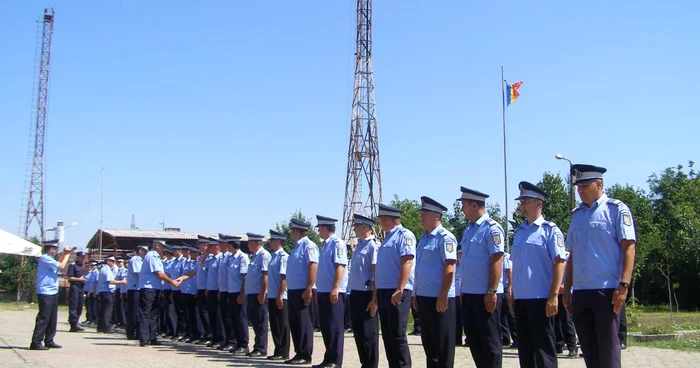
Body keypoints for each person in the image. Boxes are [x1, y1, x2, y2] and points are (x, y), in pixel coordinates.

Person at [563, 164, 636, 368]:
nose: (580, 190)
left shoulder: (615, 210)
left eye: (585, 185)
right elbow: (573, 255)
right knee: (589, 351)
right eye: (578, 187)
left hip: (606, 290)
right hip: (581, 291)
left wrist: (624, 285)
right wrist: (567, 288)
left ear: (599, 184)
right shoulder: (576, 215)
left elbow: (629, 247)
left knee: (609, 351)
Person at [510, 181, 568, 368]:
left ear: (539, 204)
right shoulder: (519, 232)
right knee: (526, 351)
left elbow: (560, 261)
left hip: (541, 299)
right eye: (521, 201)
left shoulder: (549, 230)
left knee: (544, 350)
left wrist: (553, 296)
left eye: (526, 201)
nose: (522, 205)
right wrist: (512, 290)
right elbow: (516, 265)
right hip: (521, 299)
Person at [458, 187, 506, 368]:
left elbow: (497, 259)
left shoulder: (491, 229)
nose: (462, 209)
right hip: (470, 293)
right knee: (475, 342)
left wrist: (492, 291)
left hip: (486, 294)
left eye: (464, 205)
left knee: (490, 343)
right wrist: (463, 288)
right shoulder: (468, 230)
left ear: (474, 204)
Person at [413, 196, 458, 368]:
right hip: (424, 297)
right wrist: (416, 293)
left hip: (440, 299)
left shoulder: (445, 238)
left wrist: (443, 294)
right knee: (430, 346)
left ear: (437, 216)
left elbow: (450, 267)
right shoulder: (423, 238)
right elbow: (420, 269)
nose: (422, 216)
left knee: (443, 347)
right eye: (422, 212)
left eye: (425, 213)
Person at [375, 203, 415, 367]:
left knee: (398, 335)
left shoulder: (404, 235)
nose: (380, 223)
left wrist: (399, 288)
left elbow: (407, 262)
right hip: (385, 291)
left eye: (381, 219)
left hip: (398, 290)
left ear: (387, 218)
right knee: (388, 334)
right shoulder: (388, 237)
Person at [313, 215, 347, 368]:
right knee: (326, 326)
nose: (318, 231)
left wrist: (336, 287)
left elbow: (340, 266)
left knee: (335, 327)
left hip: (333, 292)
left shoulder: (337, 243)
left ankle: (335, 361)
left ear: (325, 228)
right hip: (323, 292)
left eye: (319, 228)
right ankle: (328, 358)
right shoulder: (325, 245)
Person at [284, 218, 319, 365]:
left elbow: (313, 266)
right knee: (295, 323)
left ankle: (305, 355)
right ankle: (299, 352)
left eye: (292, 230)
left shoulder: (308, 246)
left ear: (297, 231)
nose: (291, 233)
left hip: (303, 290)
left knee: (304, 323)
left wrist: (309, 288)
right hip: (293, 290)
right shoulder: (296, 247)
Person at [348, 214, 380, 368]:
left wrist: (374, 299)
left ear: (365, 227)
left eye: (356, 226)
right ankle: (364, 363)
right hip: (355, 292)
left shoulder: (373, 246)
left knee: (369, 333)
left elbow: (375, 274)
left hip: (367, 294)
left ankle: (371, 364)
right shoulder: (359, 245)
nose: (353, 228)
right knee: (359, 332)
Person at [29, 240, 72, 350]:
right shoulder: (45, 258)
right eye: (54, 249)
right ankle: (36, 342)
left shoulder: (50, 259)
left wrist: (63, 254)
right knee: (44, 317)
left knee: (52, 318)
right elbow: (62, 266)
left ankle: (49, 340)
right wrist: (67, 255)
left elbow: (57, 263)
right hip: (45, 292)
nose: (55, 251)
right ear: (50, 249)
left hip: (52, 291)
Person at [138, 239, 181, 347]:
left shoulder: (156, 257)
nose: (163, 249)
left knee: (153, 313)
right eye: (162, 246)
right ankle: (144, 338)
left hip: (155, 288)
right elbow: (159, 274)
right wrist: (172, 282)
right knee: (146, 312)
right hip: (149, 288)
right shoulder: (152, 256)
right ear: (156, 245)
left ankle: (152, 337)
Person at [219, 234, 249, 355]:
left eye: (227, 244)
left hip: (239, 292)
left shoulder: (242, 257)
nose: (226, 246)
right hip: (231, 292)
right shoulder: (231, 258)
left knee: (241, 319)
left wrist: (242, 294)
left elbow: (244, 277)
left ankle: (244, 344)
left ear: (231, 245)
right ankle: (237, 342)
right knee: (234, 319)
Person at [242, 232, 271, 357]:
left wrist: (262, 292)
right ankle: (257, 346)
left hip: (259, 294)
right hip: (252, 293)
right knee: (254, 321)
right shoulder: (254, 256)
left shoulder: (264, 255)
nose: (248, 245)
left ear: (254, 243)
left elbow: (265, 276)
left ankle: (261, 347)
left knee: (261, 322)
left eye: (249, 243)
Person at [267, 230, 291, 361]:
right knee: (275, 324)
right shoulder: (273, 256)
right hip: (272, 295)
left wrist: (280, 295)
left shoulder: (283, 257)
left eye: (271, 240)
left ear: (278, 242)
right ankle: (278, 350)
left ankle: (284, 351)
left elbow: (284, 278)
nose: (269, 243)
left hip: (280, 296)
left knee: (282, 324)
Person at [203, 237, 225, 348]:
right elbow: (201, 264)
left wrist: (220, 289)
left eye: (210, 246)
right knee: (211, 315)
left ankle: (221, 339)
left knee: (218, 316)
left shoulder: (221, 258)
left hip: (218, 290)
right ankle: (214, 338)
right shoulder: (210, 259)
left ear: (216, 247)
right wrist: (206, 254)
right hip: (210, 290)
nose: (208, 248)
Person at [97, 257, 126, 333]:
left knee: (103, 309)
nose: (113, 262)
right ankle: (106, 327)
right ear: (107, 261)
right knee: (107, 310)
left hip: (104, 291)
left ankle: (100, 326)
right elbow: (110, 281)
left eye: (114, 261)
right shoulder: (106, 269)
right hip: (107, 292)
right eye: (111, 261)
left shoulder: (104, 269)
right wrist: (122, 282)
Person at [126, 245, 148, 340]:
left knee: (138, 311)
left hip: (139, 288)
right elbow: (138, 273)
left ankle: (137, 332)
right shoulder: (135, 259)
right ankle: (131, 333)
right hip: (135, 289)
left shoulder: (141, 260)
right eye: (144, 250)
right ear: (140, 250)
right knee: (133, 312)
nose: (146, 252)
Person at [195, 236, 213, 345]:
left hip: (207, 289)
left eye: (201, 244)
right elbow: (197, 270)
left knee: (207, 313)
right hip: (200, 288)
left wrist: (206, 287)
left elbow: (209, 275)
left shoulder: (210, 257)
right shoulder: (201, 257)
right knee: (202, 313)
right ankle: (205, 335)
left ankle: (209, 335)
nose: (199, 246)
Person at [217, 239, 234, 351]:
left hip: (230, 291)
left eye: (221, 244)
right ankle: (227, 340)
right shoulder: (224, 257)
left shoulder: (229, 256)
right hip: (223, 290)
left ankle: (232, 341)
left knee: (230, 318)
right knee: (224, 318)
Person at [66, 251, 87, 332]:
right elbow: (69, 278)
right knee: (73, 306)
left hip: (81, 287)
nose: (83, 259)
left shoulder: (82, 266)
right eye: (81, 257)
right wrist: (79, 279)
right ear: (77, 257)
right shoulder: (72, 265)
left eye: (83, 257)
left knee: (80, 306)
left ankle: (76, 322)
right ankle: (73, 324)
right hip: (75, 287)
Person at [501, 253, 517, 348]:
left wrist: (510, 287)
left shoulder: (505, 257)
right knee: (502, 315)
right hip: (500, 289)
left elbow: (509, 272)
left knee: (510, 315)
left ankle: (516, 338)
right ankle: (506, 339)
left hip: (506, 288)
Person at [84, 261, 99, 325]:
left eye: (94, 265)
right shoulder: (92, 273)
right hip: (90, 291)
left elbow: (96, 283)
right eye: (91, 265)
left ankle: (94, 319)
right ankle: (89, 318)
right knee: (89, 306)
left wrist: (94, 292)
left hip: (93, 292)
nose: (92, 266)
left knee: (93, 306)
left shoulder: (97, 273)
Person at [116, 259, 128, 328]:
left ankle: (124, 322)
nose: (119, 263)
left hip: (125, 291)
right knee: (121, 307)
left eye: (121, 262)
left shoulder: (127, 271)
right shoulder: (120, 270)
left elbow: (125, 282)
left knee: (124, 308)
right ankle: (122, 322)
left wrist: (124, 292)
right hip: (120, 290)